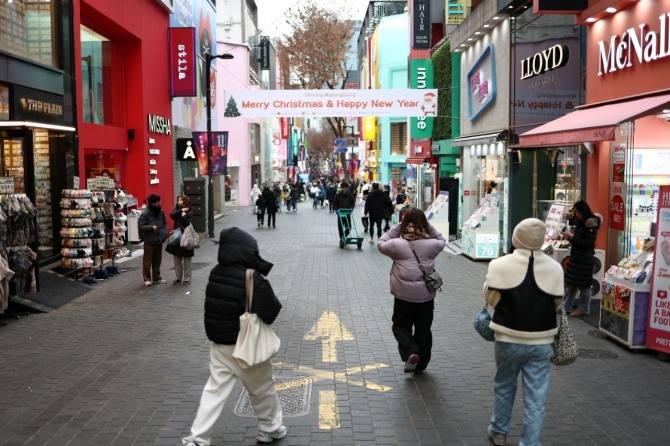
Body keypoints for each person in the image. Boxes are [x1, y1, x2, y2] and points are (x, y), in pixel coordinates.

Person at [181, 227, 286, 446]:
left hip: (220, 346)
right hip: (248, 346)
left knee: (214, 391)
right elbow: (271, 310)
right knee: (262, 389)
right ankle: (270, 428)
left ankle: (197, 438)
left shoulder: (215, 272)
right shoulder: (252, 277)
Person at [483, 218, 564, 446]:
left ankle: (499, 431)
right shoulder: (555, 268)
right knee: (536, 397)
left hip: (507, 337)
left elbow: (490, 298)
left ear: (516, 237)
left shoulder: (499, 264)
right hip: (542, 340)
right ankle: (529, 443)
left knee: (504, 385)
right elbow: (558, 302)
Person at [377, 208, 445, 375]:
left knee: (401, 325)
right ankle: (421, 364)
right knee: (423, 329)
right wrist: (427, 226)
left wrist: (399, 227)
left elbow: (381, 243)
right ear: (425, 224)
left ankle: (410, 352)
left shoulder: (396, 245)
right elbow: (442, 239)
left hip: (403, 296)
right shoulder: (433, 245)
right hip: (426, 296)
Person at [560, 200, 602, 317]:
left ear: (582, 211)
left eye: (577, 212)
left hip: (585, 259)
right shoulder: (581, 221)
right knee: (571, 283)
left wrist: (572, 238)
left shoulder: (590, 223)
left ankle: (583, 309)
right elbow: (579, 240)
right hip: (577, 258)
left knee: (584, 285)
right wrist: (569, 237)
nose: (576, 214)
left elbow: (588, 243)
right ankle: (565, 306)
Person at [138, 194, 168, 286]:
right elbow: (141, 226)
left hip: (159, 239)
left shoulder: (161, 212)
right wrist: (151, 227)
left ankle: (157, 278)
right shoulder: (145, 214)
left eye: (159, 201)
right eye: (157, 202)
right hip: (149, 240)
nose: (159, 203)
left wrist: (164, 233)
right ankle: (147, 278)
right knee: (147, 261)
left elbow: (164, 224)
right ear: (152, 203)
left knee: (157, 260)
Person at [166, 195, 194, 285]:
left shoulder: (190, 212)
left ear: (185, 201)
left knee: (187, 259)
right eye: (178, 200)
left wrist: (183, 214)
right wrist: (180, 210)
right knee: (177, 258)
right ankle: (178, 278)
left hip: (187, 236)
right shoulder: (177, 210)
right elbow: (171, 215)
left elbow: (187, 223)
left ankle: (187, 278)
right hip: (177, 238)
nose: (179, 202)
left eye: (181, 200)